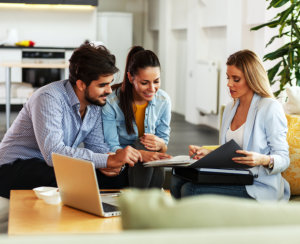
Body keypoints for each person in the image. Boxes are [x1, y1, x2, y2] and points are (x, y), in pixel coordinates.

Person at [0, 43, 142, 199]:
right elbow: (53, 153)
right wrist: (107, 160)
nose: (109, 90)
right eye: (102, 85)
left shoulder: (94, 105)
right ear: (81, 84)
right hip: (13, 167)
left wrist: (112, 163)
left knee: (117, 177)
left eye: (110, 83)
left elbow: (97, 147)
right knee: (67, 176)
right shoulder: (48, 98)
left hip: (51, 166)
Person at [171, 49, 290, 201]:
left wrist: (262, 160)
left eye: (236, 79)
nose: (229, 84)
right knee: (176, 180)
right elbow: (232, 150)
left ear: (251, 78)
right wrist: (209, 155)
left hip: (258, 184)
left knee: (191, 190)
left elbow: (284, 158)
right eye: (228, 78)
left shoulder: (270, 108)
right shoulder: (230, 108)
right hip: (233, 176)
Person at [102, 46, 172, 188]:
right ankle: (151, 201)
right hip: (122, 161)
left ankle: (144, 203)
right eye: (144, 83)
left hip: (148, 163)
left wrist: (161, 145)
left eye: (156, 81)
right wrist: (140, 153)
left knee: (150, 147)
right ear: (130, 77)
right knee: (145, 147)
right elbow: (111, 146)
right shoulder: (111, 103)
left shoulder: (164, 100)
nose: (152, 89)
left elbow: (164, 144)